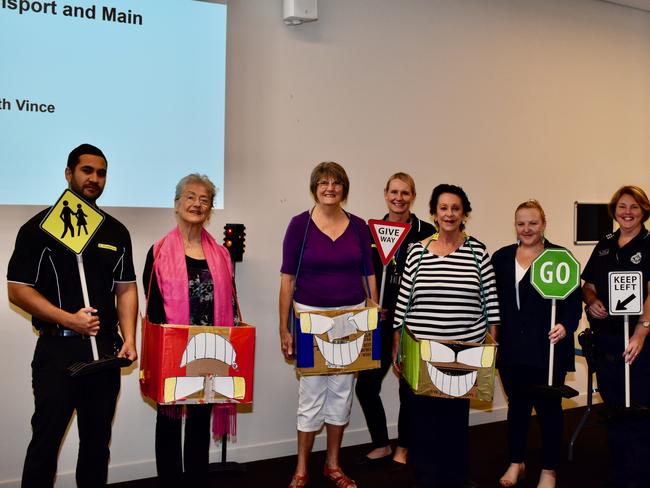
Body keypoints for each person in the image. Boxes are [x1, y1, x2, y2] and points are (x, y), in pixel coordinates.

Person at [7, 144, 138, 488]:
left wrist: (131, 338)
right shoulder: (37, 229)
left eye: (101, 173)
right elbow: (18, 290)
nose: (94, 179)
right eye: (87, 171)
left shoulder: (116, 232)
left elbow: (126, 288)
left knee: (96, 448)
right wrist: (67, 319)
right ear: (69, 174)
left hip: (104, 355)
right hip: (57, 355)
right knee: (44, 447)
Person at [392, 183, 499, 488]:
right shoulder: (417, 251)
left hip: (465, 350)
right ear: (434, 214)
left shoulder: (478, 252)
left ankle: (455, 476)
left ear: (464, 213)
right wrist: (397, 344)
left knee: (454, 420)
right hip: (424, 352)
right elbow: (403, 302)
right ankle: (426, 477)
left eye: (455, 208)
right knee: (423, 419)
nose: (449, 213)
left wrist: (491, 347)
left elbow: (491, 303)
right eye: (443, 208)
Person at [279, 162, 378, 488]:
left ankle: (333, 465)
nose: (330, 188)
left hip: (351, 318)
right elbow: (287, 280)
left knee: (341, 394)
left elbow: (369, 273)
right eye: (323, 182)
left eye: (336, 183)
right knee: (310, 395)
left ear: (344, 188)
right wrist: (284, 327)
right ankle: (302, 468)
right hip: (311, 320)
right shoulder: (299, 225)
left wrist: (372, 315)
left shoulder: (360, 226)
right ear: (315, 187)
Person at [142, 174, 237, 485]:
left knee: (199, 421)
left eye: (205, 199)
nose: (197, 203)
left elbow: (231, 304)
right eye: (191, 197)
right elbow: (153, 305)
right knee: (168, 422)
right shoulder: (158, 252)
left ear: (210, 210)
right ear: (177, 203)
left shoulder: (222, 255)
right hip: (173, 352)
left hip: (210, 349)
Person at [492, 200, 582, 488]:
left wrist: (565, 326)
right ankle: (516, 461)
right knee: (517, 407)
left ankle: (549, 469)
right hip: (510, 349)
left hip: (547, 349)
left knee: (548, 410)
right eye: (521, 223)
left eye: (533, 222)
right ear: (515, 226)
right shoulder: (501, 258)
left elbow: (573, 303)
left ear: (544, 223)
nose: (527, 228)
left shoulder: (559, 256)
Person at [355, 172, 434, 468]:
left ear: (413, 196)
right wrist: (370, 303)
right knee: (365, 386)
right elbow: (363, 271)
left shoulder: (426, 232)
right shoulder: (370, 231)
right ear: (385, 194)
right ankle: (381, 443)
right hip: (378, 322)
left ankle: (404, 446)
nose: (399, 198)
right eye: (394, 192)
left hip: (412, 323)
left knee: (408, 387)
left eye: (405, 193)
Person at [581, 185, 650, 488]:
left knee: (639, 408)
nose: (627, 212)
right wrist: (590, 300)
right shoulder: (605, 243)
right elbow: (588, 284)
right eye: (622, 206)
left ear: (644, 210)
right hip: (607, 341)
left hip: (638, 343)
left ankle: (640, 474)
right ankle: (620, 469)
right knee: (614, 407)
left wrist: (640, 332)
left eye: (634, 207)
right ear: (614, 210)